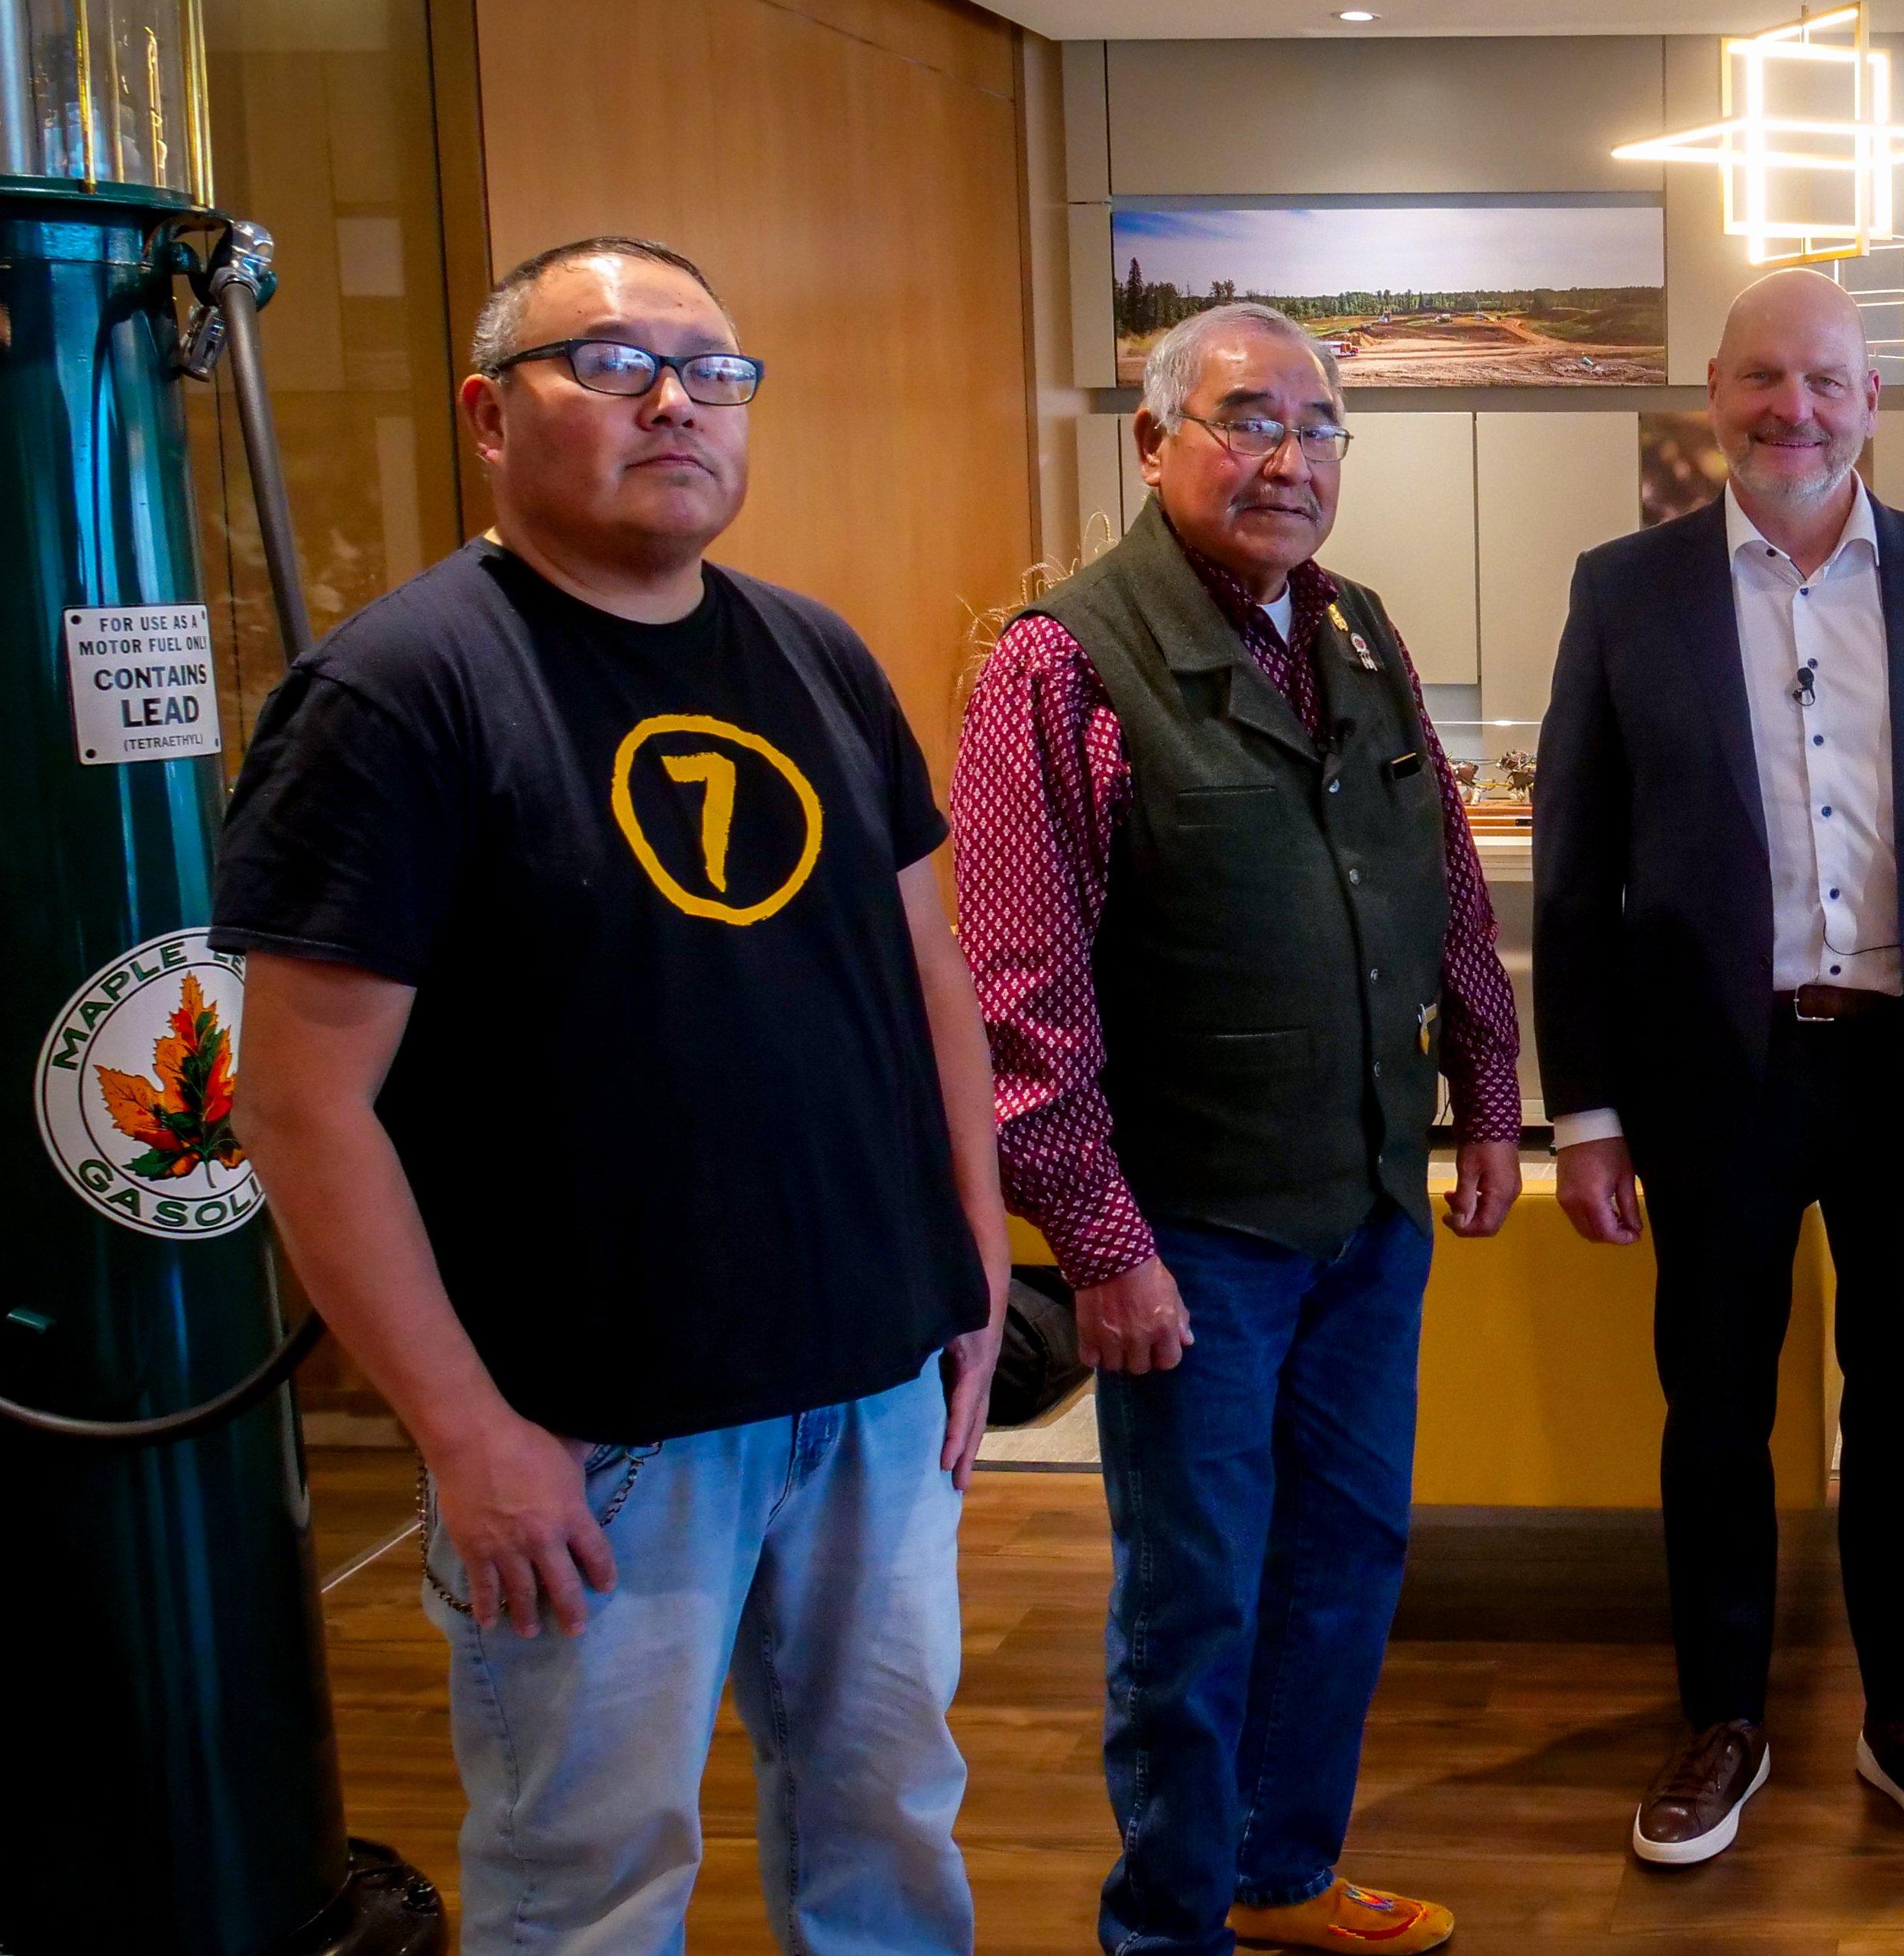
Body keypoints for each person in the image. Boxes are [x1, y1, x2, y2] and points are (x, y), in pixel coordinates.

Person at [221, 236, 1007, 1954]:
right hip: (594, 1437)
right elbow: (300, 1106)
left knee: (890, 1831)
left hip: (870, 1389)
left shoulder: (814, 653)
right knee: (591, 1874)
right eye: (617, 361)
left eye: (715, 370)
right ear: (489, 415)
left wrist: (972, 1257)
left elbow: (927, 975)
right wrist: (463, 1430)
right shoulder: (397, 691)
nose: (677, 399)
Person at [952, 300, 1519, 1956]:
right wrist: (1104, 1247)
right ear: (1152, 441)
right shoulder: (1056, 667)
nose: (1291, 456)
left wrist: (1486, 1088)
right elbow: (1023, 1000)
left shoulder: (1360, 633)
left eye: (1321, 423)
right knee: (1195, 1597)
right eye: (1246, 418)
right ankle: (1170, 1919)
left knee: (1347, 1554)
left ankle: (1281, 1869)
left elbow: (1448, 890)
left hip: (1363, 1205)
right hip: (1189, 1233)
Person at [1535, 269, 1904, 1867]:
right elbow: (1575, 877)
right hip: (1716, 1076)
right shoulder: (1623, 590)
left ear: (1871, 399)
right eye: (1763, 379)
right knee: (1713, 1410)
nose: (1794, 408)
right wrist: (1588, 1112)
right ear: (1715, 392)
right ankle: (1722, 1714)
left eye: (1825, 380)